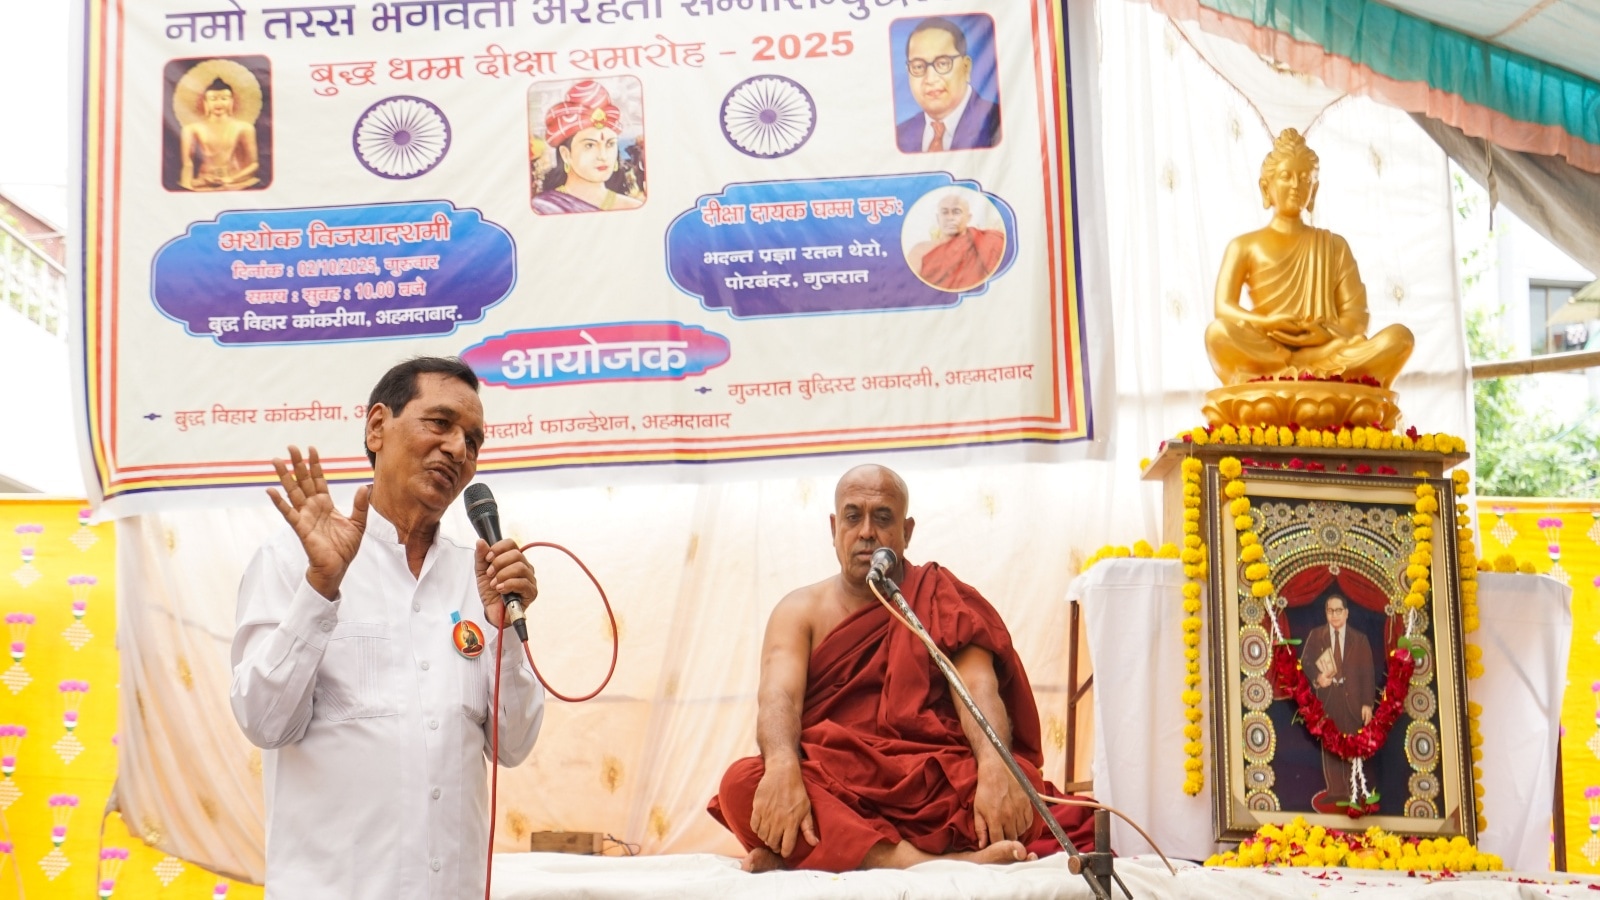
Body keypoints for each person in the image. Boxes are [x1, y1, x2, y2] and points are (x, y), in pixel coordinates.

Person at [230, 357, 545, 899]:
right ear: (378, 426)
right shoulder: (293, 559)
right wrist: (320, 589)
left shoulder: (478, 577)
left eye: (473, 441)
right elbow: (262, 722)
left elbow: (512, 746)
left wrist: (504, 635)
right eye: (440, 423)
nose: (458, 449)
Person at [708, 465, 1094, 872]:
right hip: (836, 780)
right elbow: (778, 697)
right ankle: (921, 861)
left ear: (906, 532)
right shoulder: (799, 611)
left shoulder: (937, 596)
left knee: (1023, 790)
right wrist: (782, 767)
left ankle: (826, 853)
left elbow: (977, 687)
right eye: (853, 517)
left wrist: (995, 767)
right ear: (834, 528)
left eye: (883, 518)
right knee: (742, 785)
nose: (867, 532)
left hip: (925, 784)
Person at [1205, 128, 1414, 387]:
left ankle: (1288, 377)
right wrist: (1266, 323)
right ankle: (1291, 374)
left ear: (1314, 190)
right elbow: (1223, 308)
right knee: (1218, 334)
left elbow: (1356, 317)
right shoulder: (1244, 246)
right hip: (1269, 349)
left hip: (1327, 353)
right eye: (1286, 176)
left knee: (1400, 338)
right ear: (1266, 187)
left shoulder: (1334, 246)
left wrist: (1323, 334)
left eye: (1305, 179)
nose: (1296, 185)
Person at [1298, 595, 1376, 807]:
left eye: (1338, 610)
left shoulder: (1359, 639)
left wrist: (1368, 703)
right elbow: (1305, 662)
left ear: (1346, 613)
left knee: (1351, 743)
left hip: (1353, 701)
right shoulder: (1317, 636)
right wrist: (1318, 678)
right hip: (1328, 699)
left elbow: (1368, 673)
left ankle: (1353, 790)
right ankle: (1335, 790)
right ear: (1326, 613)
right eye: (1330, 611)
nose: (1334, 615)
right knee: (1330, 744)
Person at [532, 80, 644, 214]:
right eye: (589, 145)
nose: (603, 156)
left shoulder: (633, 207)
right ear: (565, 154)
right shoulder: (542, 208)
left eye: (610, 144)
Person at [895, 18, 1002, 153]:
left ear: (966, 67)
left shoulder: (998, 122)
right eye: (918, 66)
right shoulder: (900, 135)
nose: (930, 79)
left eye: (943, 64)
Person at [907, 193, 1005, 291]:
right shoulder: (921, 250)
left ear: (968, 217)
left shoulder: (988, 242)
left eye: (956, 212)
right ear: (938, 218)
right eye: (945, 212)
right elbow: (909, 286)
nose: (950, 217)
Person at [180, 77, 260, 191]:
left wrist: (231, 179)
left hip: (234, 179)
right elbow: (187, 164)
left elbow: (254, 164)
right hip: (205, 180)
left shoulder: (245, 128)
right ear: (205, 102)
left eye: (224, 98)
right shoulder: (191, 129)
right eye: (213, 99)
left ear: (231, 101)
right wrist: (188, 185)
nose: (219, 103)